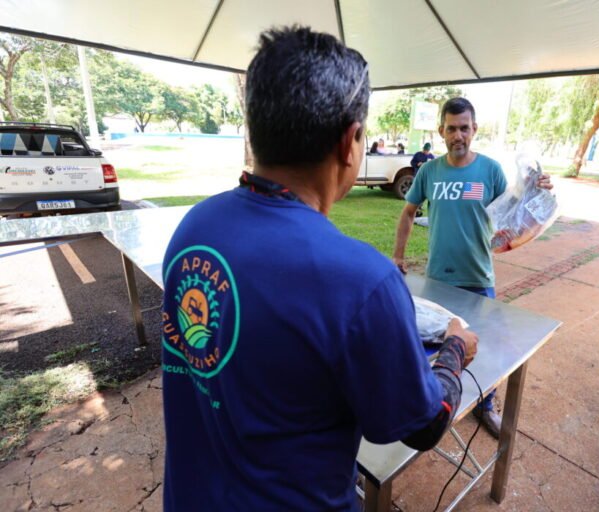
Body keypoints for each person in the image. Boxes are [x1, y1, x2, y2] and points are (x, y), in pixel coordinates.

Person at [161, 27, 478, 511]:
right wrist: (455, 349)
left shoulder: (193, 229)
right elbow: (425, 423)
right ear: (350, 142)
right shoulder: (361, 281)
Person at [393, 97, 552, 438]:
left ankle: (486, 405)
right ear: (441, 131)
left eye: (464, 128)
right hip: (438, 279)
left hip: (479, 277)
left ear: (474, 129)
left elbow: (512, 212)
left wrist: (536, 191)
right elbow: (408, 213)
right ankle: (434, 401)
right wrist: (398, 256)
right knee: (436, 345)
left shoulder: (490, 170)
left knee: (487, 348)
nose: (458, 135)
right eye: (451, 129)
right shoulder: (430, 171)